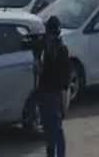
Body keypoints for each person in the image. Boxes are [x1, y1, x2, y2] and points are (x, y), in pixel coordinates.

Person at [38, 16, 70, 157]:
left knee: (56, 129)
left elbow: (65, 77)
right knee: (48, 128)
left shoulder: (61, 49)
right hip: (46, 92)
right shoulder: (45, 46)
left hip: (54, 93)